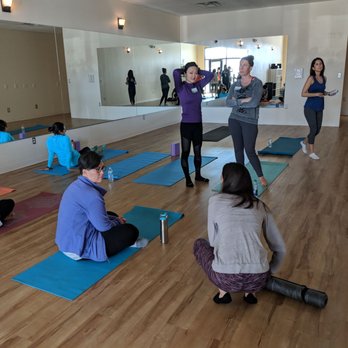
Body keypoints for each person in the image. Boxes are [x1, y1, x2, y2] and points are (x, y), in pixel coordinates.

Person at [193, 162, 286, 304]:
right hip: (258, 279)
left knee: (200, 244)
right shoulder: (260, 205)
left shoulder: (215, 201)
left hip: (225, 279)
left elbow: (213, 242)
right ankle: (250, 293)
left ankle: (223, 293)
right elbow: (281, 249)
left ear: (224, 180)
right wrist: (267, 272)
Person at [55, 151, 143, 262]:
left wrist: (115, 219)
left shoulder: (75, 185)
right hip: (78, 250)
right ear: (85, 172)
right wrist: (118, 222)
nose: (101, 173)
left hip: (66, 244)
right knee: (131, 231)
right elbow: (104, 227)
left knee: (111, 215)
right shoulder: (92, 196)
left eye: (102, 168)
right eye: (97, 169)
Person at [226, 55, 267, 187]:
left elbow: (254, 103)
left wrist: (236, 102)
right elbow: (228, 102)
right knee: (238, 150)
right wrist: (244, 100)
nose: (241, 67)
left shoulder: (257, 83)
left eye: (244, 65)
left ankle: (260, 176)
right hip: (234, 119)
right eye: (240, 64)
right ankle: (240, 178)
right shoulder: (235, 84)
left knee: (249, 150)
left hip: (250, 121)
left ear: (250, 67)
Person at [173, 62, 214, 187]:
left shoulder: (198, 85)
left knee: (197, 152)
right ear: (185, 74)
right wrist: (185, 69)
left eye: (195, 73)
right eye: (190, 73)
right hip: (186, 125)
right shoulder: (181, 87)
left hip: (198, 125)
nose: (193, 75)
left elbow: (210, 75)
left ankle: (198, 175)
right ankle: (187, 179)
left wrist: (198, 70)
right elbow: (175, 72)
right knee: (185, 152)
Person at [300, 57, 328, 160]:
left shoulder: (324, 78)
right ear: (313, 67)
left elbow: (322, 91)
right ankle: (311, 152)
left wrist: (326, 93)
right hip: (309, 107)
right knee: (313, 129)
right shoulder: (311, 78)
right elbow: (303, 93)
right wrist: (316, 94)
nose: (319, 65)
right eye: (316, 64)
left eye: (320, 63)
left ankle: (303, 142)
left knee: (317, 130)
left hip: (320, 107)